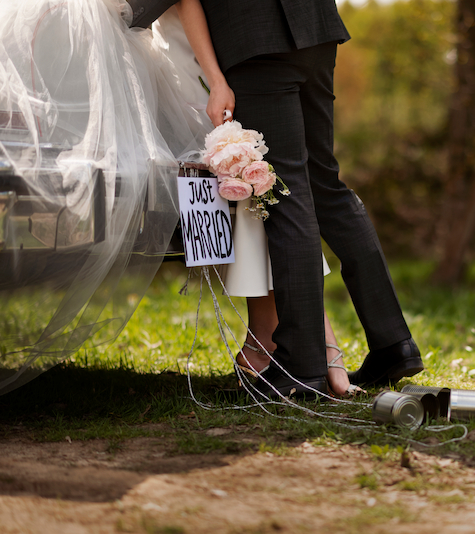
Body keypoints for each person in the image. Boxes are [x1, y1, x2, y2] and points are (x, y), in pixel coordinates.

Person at [171, 0, 424, 398]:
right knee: (326, 185)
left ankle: (301, 366)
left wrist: (216, 80)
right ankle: (394, 343)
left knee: (284, 194)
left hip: (254, 40)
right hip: (314, 30)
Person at [151, 7, 359, 397]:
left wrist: (215, 79)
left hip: (227, 49)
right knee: (259, 186)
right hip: (193, 53)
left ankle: (297, 344)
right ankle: (298, 344)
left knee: (269, 185)